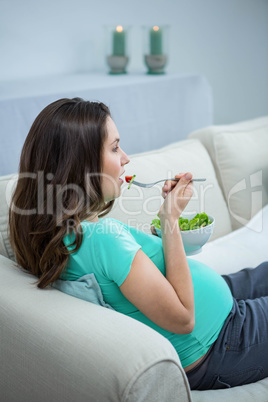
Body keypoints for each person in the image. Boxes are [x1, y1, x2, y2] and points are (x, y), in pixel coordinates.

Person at [9, 97, 268, 391]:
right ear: (80, 162)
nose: (126, 158)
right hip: (223, 342)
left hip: (220, 310)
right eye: (115, 147)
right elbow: (183, 319)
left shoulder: (62, 234)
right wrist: (170, 217)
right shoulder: (102, 238)